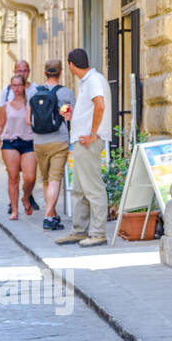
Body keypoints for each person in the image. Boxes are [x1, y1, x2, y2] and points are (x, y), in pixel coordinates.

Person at [65, 48, 112, 248]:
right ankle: (79, 230)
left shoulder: (93, 80)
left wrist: (93, 134)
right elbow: (93, 108)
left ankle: (98, 232)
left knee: (92, 187)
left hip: (88, 142)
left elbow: (99, 105)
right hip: (82, 140)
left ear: (71, 65)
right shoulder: (87, 81)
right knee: (79, 189)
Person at [31, 59, 77, 235]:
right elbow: (71, 117)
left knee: (46, 180)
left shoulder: (34, 93)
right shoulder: (66, 93)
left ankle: (52, 214)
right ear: (60, 72)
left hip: (39, 142)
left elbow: (29, 120)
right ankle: (48, 216)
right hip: (59, 140)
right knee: (55, 178)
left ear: (44, 73)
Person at [0, 60, 39, 212]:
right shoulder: (6, 97)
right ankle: (14, 209)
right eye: (14, 85)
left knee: (30, 177)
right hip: (10, 141)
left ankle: (26, 196)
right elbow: (0, 120)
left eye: (25, 70)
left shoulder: (34, 94)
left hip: (29, 141)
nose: (17, 88)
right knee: (13, 177)